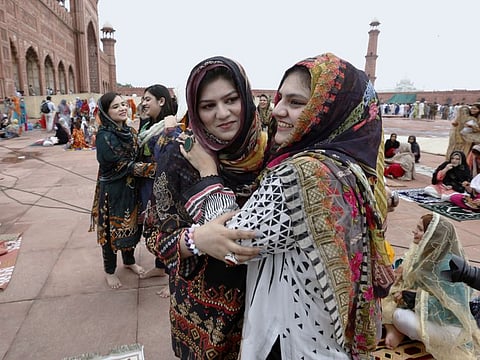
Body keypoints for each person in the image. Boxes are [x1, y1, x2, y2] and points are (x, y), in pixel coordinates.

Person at [180, 53, 394, 359]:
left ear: (327, 110)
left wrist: (208, 175)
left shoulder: (301, 173)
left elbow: (233, 241)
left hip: (291, 337)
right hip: (330, 336)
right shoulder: (353, 166)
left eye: (296, 103)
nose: (278, 110)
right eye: (281, 98)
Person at [142, 56, 267, 359]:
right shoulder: (179, 155)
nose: (222, 114)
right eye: (208, 106)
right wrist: (195, 240)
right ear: (195, 111)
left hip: (264, 306)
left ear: (246, 98)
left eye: (231, 99)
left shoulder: (270, 150)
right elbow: (154, 235)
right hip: (201, 317)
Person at [382, 212, 480, 359]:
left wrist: (412, 298)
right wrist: (400, 270)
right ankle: (397, 330)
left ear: (433, 236)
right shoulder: (425, 253)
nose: (414, 232)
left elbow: (450, 310)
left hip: (451, 327)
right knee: (383, 292)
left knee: (400, 317)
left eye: (420, 229)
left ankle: (399, 330)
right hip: (424, 313)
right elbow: (409, 264)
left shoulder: (447, 266)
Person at [89, 92, 156, 289]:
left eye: (124, 104)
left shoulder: (130, 132)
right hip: (113, 192)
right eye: (116, 106)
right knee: (111, 232)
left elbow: (138, 154)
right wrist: (151, 169)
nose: (122, 108)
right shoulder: (104, 136)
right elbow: (121, 164)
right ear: (106, 112)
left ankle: (129, 261)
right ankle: (109, 271)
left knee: (132, 225)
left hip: (131, 188)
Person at [136, 84, 180, 293]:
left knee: (168, 230)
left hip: (165, 189)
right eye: (143, 99)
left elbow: (170, 163)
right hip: (148, 186)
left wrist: (138, 168)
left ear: (161, 102)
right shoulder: (148, 126)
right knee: (153, 228)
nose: (143, 103)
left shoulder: (170, 128)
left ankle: (174, 280)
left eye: (148, 100)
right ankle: (159, 267)